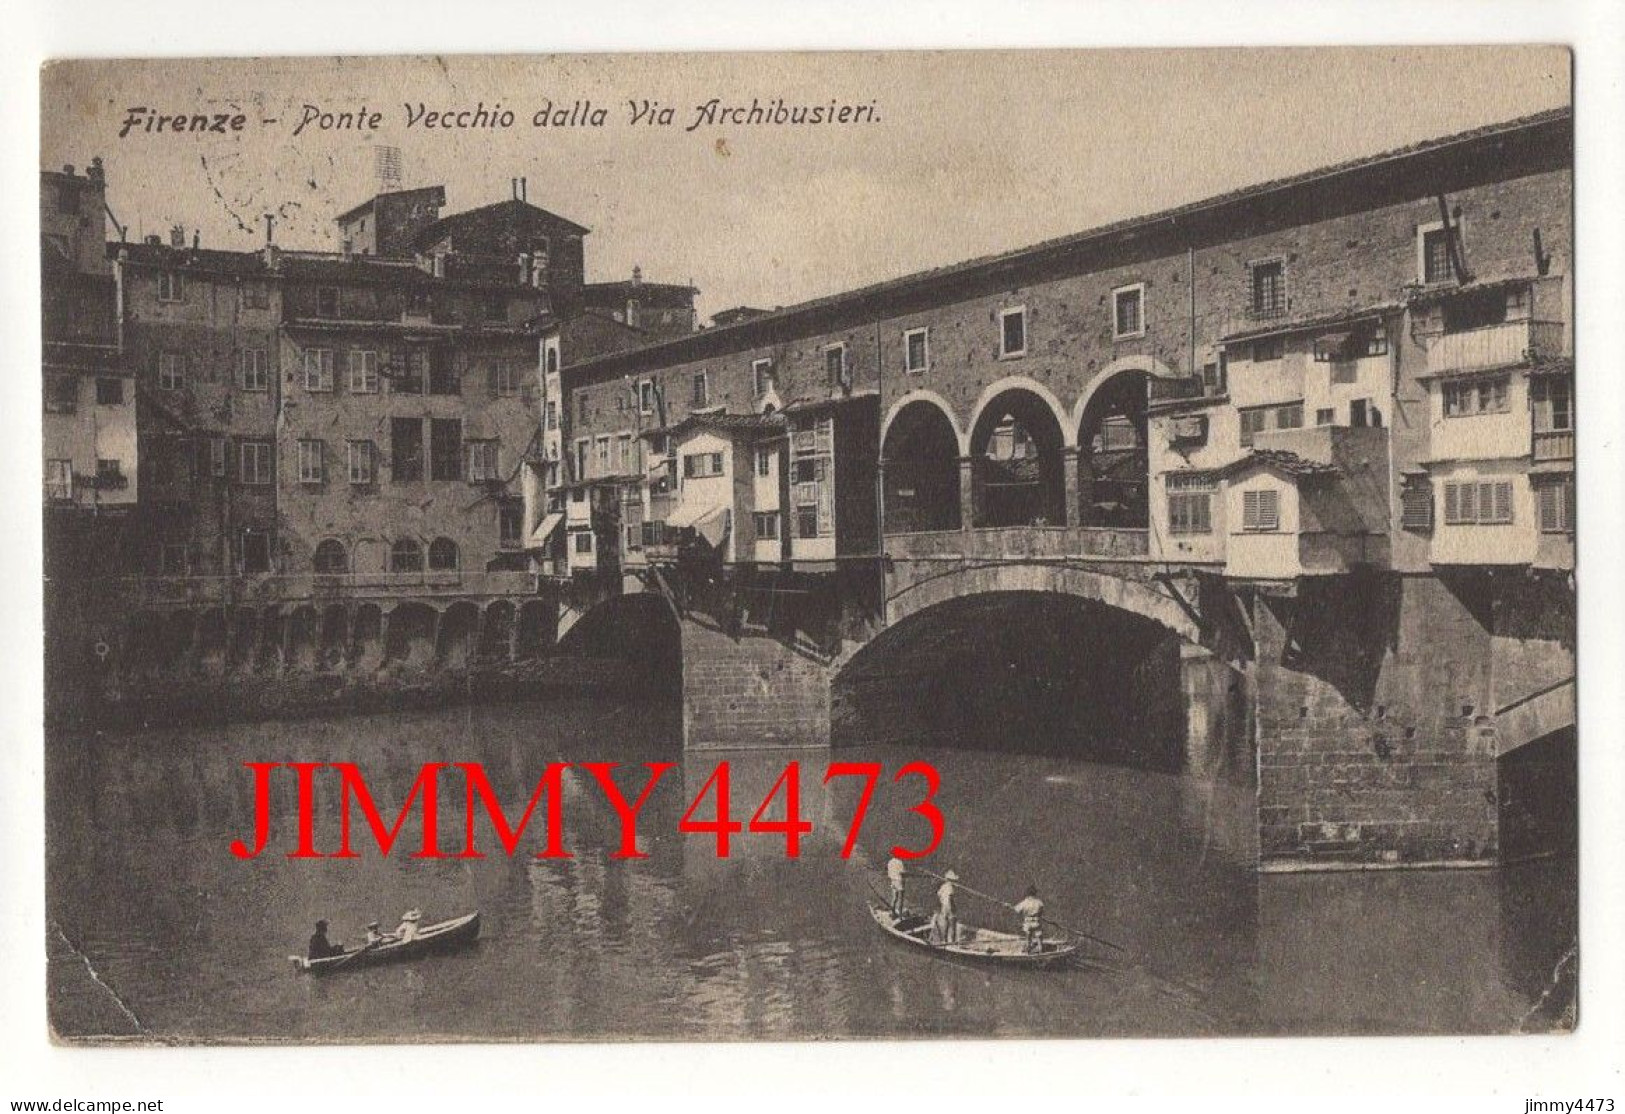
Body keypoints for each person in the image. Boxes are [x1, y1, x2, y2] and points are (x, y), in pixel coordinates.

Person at [1013, 885, 1045, 953]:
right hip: (1037, 922)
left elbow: (1017, 910)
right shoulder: (1039, 902)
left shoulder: (1024, 902)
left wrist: (1011, 907)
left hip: (1028, 923)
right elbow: (1041, 911)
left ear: (1027, 893)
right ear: (1035, 893)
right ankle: (1040, 949)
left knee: (1028, 937)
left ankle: (1028, 949)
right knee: (1039, 935)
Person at [935, 870, 959, 944]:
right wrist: (953, 907)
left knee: (945, 923)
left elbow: (938, 895)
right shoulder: (950, 888)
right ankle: (952, 942)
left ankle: (944, 940)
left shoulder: (943, 886)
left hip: (943, 906)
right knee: (952, 924)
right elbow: (950, 898)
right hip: (949, 906)